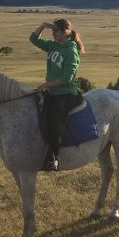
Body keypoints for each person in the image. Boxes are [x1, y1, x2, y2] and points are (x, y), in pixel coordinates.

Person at [30, 19, 85, 171]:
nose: (53, 34)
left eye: (55, 31)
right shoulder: (53, 45)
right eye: (52, 31)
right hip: (52, 91)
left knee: (54, 120)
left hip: (66, 93)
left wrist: (46, 84)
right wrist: (42, 26)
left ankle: (53, 157)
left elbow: (67, 79)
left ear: (65, 32)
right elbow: (33, 39)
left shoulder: (72, 51)